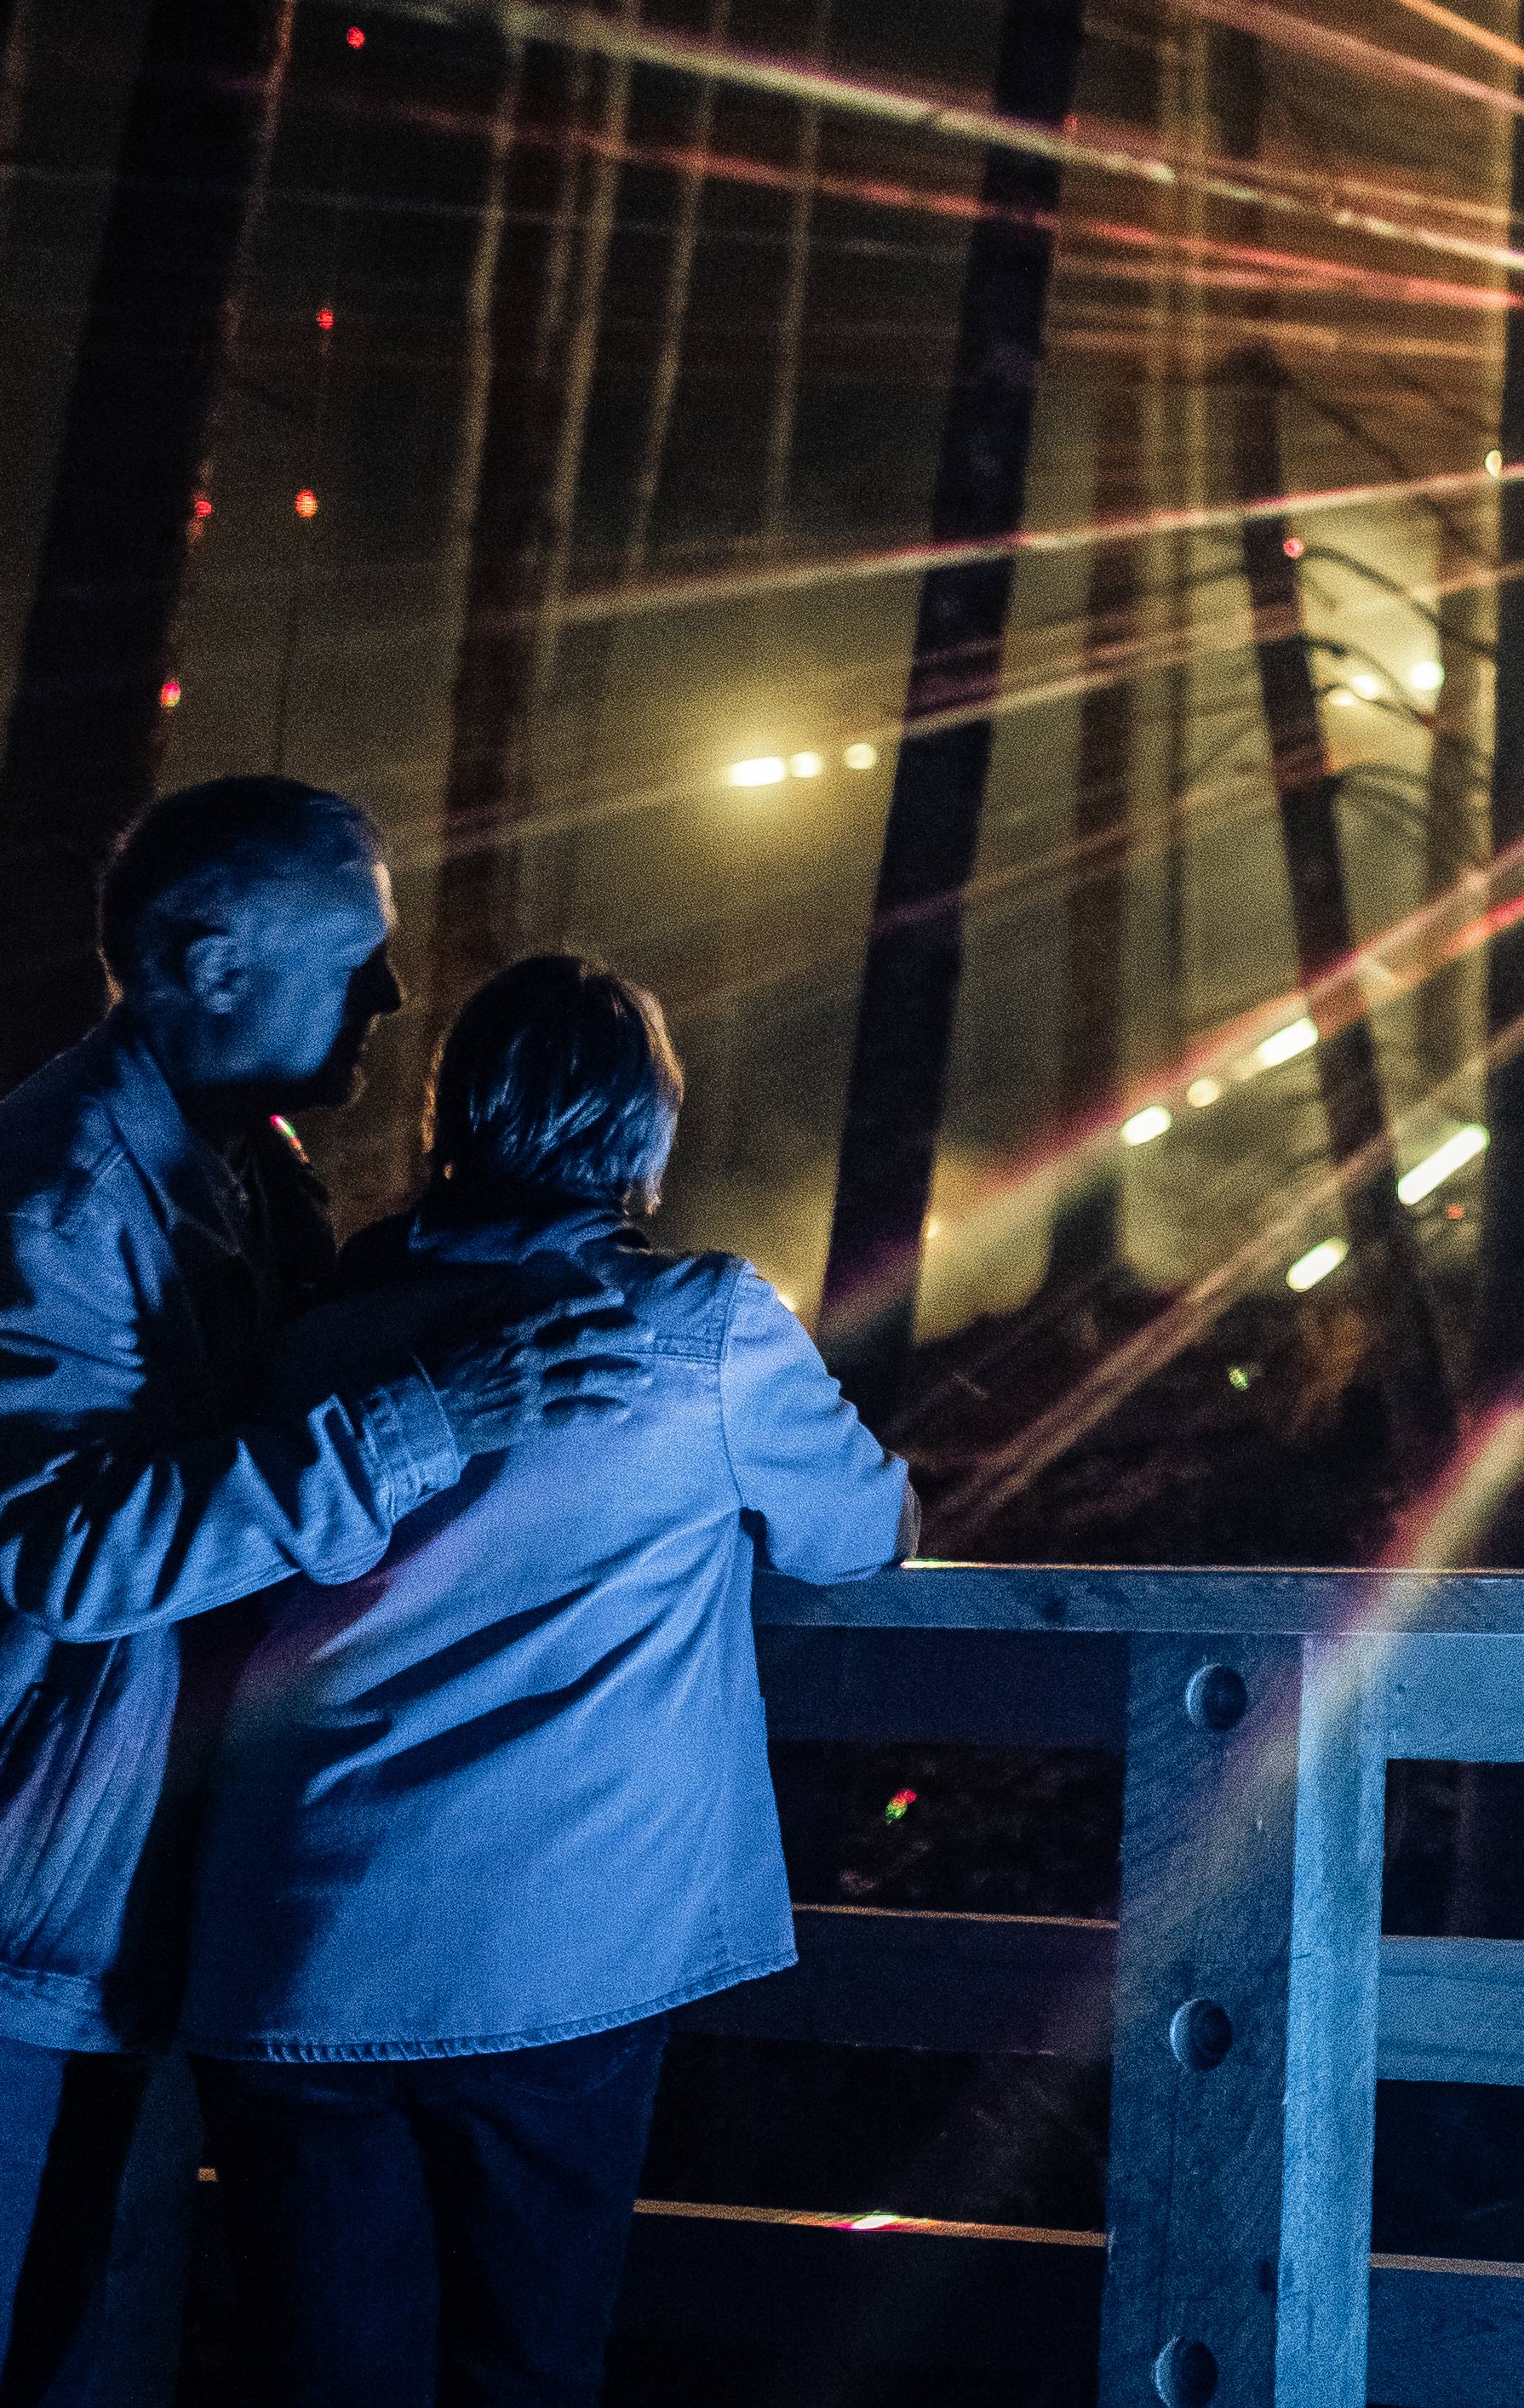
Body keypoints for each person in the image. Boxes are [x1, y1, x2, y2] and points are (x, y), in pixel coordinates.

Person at [0, 779, 649, 2407]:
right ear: (208, 959)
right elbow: (82, 1550)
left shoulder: (238, 1188)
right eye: (355, 953)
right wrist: (438, 1416)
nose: (391, 995)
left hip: (50, 1920)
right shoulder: (53, 1199)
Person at [181, 951, 910, 2408]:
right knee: (526, 2366)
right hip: (553, 1952)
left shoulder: (318, 1332)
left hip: (302, 1937)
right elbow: (857, 1529)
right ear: (642, 1129)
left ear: (457, 1117)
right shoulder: (696, 1329)